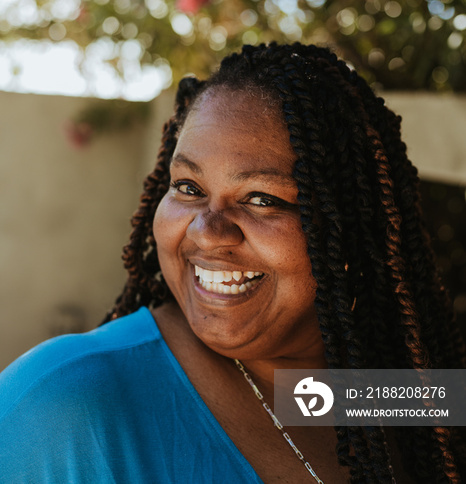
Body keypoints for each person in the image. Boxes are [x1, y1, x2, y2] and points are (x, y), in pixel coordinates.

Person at [0, 42, 465, 484]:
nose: (207, 231)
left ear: (351, 233)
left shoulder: (387, 395)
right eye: (187, 187)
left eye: (261, 199)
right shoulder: (62, 401)